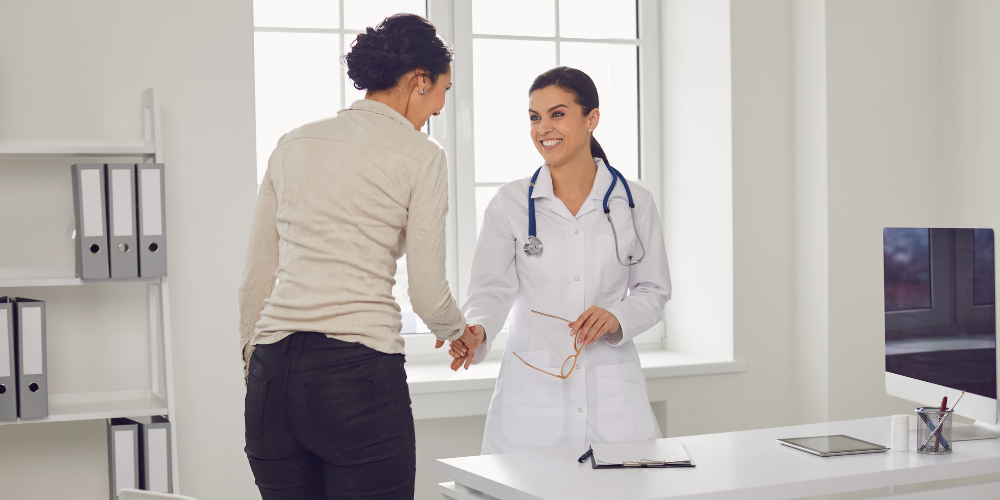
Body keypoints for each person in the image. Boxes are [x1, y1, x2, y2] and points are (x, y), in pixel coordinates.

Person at [238, 14, 480, 500]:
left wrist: (256, 365)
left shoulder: (294, 143)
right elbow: (428, 296)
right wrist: (459, 333)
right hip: (356, 379)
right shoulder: (421, 155)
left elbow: (256, 280)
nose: (437, 109)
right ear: (419, 81)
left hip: (271, 377)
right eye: (441, 93)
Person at [448, 67, 672, 455]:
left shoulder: (634, 202)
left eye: (557, 113)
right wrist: (478, 329)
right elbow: (490, 290)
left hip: (613, 400)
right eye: (535, 117)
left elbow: (654, 290)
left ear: (592, 119)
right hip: (533, 398)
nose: (542, 128)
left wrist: (618, 315)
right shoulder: (511, 203)